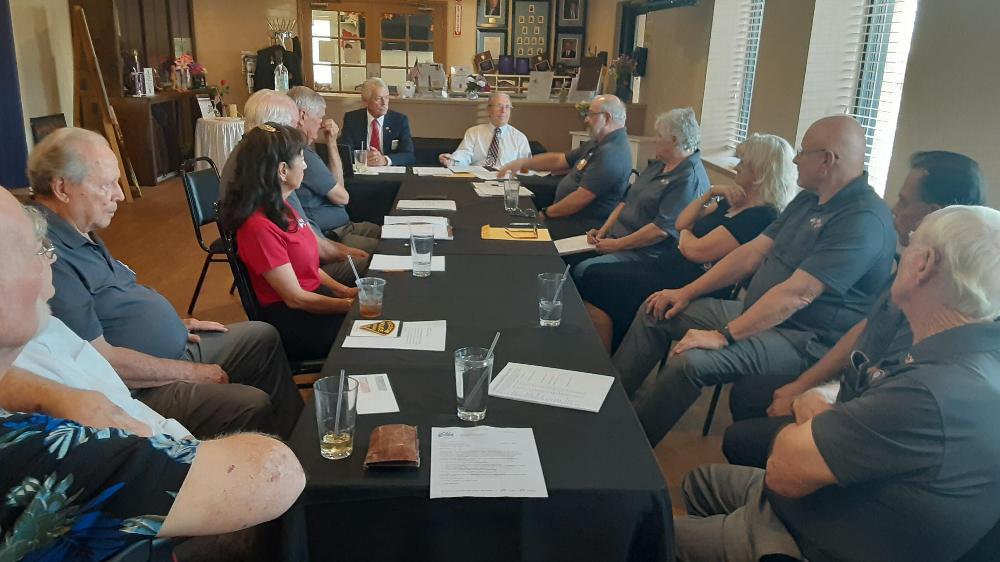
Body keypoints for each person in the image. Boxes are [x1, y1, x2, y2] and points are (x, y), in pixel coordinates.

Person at [674, 205, 1000, 562]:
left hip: (813, 542)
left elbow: (783, 468)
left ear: (922, 264)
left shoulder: (934, 390)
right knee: (699, 481)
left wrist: (810, 406)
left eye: (909, 246)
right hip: (829, 505)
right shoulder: (961, 356)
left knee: (644, 532)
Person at [0, 187, 304, 560]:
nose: (50, 261)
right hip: (155, 464)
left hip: (141, 419)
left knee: (260, 340)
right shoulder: (46, 451)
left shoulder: (41, 330)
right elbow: (275, 473)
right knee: (273, 500)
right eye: (37, 250)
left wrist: (48, 392)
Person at [613, 115, 896, 445]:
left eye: (803, 152)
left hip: (801, 337)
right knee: (657, 308)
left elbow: (798, 294)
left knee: (690, 361)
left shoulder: (862, 219)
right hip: (757, 313)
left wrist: (724, 336)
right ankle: (611, 403)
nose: (794, 159)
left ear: (826, 160)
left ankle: (631, 446)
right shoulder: (808, 200)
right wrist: (685, 293)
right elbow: (751, 253)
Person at [28, 127, 303, 439]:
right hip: (137, 389)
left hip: (169, 349)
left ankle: (298, 441)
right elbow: (99, 362)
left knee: (261, 337)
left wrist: (173, 324)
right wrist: (193, 373)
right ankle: (262, 467)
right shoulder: (49, 256)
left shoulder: (78, 228)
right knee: (249, 404)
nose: (119, 194)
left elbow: (117, 304)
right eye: (107, 185)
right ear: (62, 188)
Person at [722, 150, 988, 468]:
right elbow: (865, 331)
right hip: (851, 383)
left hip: (867, 410)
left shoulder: (941, 306)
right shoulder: (909, 271)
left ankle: (779, 500)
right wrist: (802, 384)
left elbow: (893, 395)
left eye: (904, 202)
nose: (894, 209)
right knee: (748, 393)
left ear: (933, 214)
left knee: (739, 441)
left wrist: (818, 398)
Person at [581, 133, 797, 352]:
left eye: (744, 162)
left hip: (687, 283)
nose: (737, 166)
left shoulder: (760, 216)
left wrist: (685, 232)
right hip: (665, 267)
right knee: (595, 276)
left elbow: (696, 251)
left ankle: (605, 359)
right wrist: (710, 193)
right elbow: (681, 222)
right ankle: (609, 349)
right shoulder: (734, 201)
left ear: (760, 171)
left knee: (596, 280)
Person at [220, 123, 357, 362]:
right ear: (283, 170)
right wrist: (348, 305)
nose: (305, 165)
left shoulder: (283, 207)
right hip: (298, 322)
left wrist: (345, 291)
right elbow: (295, 298)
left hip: (314, 303)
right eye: (301, 158)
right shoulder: (258, 227)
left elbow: (307, 268)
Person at [222, 89, 372, 285]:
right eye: (293, 127)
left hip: (300, 263)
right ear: (274, 128)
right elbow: (307, 250)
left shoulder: (248, 157)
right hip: (292, 276)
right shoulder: (270, 175)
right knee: (377, 264)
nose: (296, 133)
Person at [572, 107, 711, 281]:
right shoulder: (660, 164)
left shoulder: (688, 178)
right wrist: (604, 230)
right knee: (565, 258)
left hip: (643, 253)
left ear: (674, 140)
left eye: (659, 135)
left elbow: (660, 231)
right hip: (617, 238)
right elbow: (626, 200)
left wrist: (616, 245)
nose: (654, 140)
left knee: (583, 270)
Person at [497, 95, 633, 239]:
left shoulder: (611, 153)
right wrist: (522, 163)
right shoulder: (599, 143)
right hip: (567, 216)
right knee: (508, 218)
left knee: (513, 235)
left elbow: (580, 199)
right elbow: (559, 160)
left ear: (606, 118)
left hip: (580, 225)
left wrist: (545, 214)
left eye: (591, 115)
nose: (586, 119)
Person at [287, 86, 381, 251]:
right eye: (319, 116)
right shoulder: (301, 154)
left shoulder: (305, 148)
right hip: (331, 235)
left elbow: (337, 184)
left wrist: (331, 142)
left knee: (383, 233)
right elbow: (343, 197)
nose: (322, 123)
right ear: (303, 116)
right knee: (385, 248)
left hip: (341, 227)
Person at [438, 92, 532, 170]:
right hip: (476, 178)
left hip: (506, 181)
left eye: (507, 107)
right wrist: (452, 160)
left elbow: (527, 168)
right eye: (499, 106)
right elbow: (464, 155)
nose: (503, 111)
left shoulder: (519, 138)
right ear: (488, 110)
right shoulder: (474, 132)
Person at [340, 77, 416, 167]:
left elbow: (409, 156)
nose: (384, 103)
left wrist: (385, 160)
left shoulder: (399, 120)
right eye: (378, 98)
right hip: (362, 172)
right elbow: (345, 153)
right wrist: (363, 157)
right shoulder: (352, 119)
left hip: (390, 175)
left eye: (386, 97)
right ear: (365, 102)